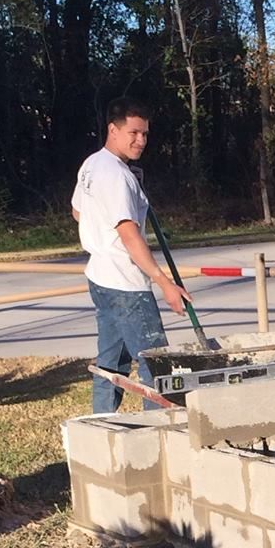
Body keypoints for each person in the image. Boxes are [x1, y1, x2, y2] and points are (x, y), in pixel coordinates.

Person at [73, 99, 190, 414]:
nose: (141, 140)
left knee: (111, 364)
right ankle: (160, 439)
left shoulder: (92, 165)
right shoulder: (117, 176)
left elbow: (77, 211)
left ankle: (101, 427)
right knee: (156, 366)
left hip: (100, 278)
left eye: (145, 134)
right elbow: (129, 235)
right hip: (126, 284)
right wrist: (164, 282)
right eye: (134, 132)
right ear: (113, 129)